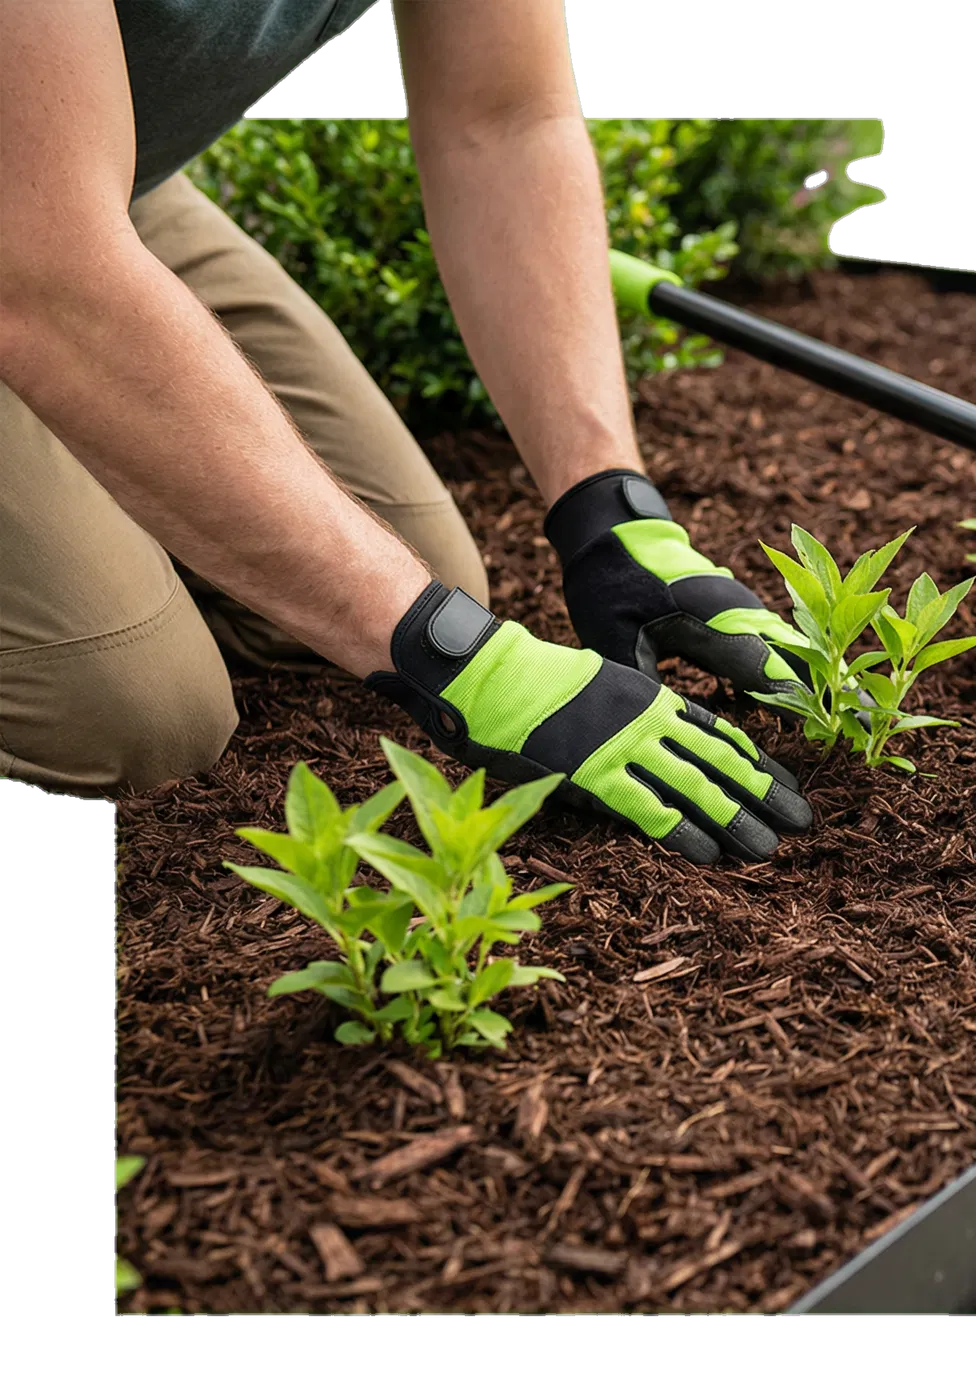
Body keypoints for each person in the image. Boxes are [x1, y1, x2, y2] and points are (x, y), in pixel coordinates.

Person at [0, 1, 813, 863]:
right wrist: (460, 660)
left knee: (421, 572)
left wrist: (610, 511)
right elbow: (43, 266)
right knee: (134, 717)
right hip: (39, 230)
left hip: (89, 177)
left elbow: (502, 120)